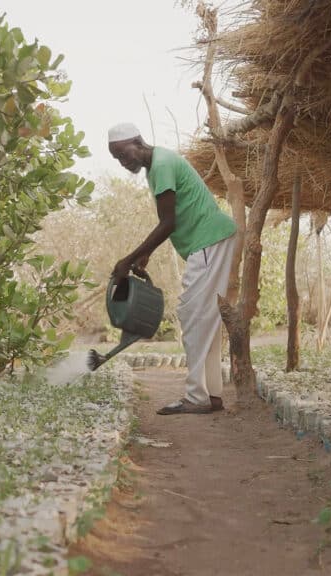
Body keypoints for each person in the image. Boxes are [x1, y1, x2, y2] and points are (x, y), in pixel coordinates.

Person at [107, 122, 237, 415]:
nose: (123, 161)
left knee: (192, 317)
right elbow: (172, 218)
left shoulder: (162, 165)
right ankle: (211, 395)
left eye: (123, 153)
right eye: (116, 158)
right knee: (204, 319)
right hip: (209, 242)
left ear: (138, 142)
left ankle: (197, 397)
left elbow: (168, 223)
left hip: (209, 241)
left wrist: (128, 259)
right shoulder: (159, 165)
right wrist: (145, 254)